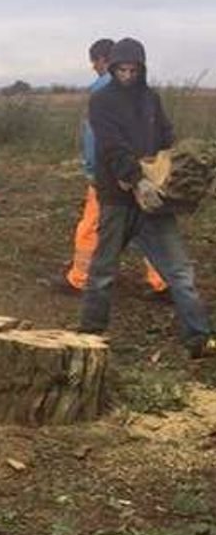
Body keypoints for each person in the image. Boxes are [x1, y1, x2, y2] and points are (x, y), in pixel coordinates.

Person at [78, 38, 214, 357]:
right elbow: (111, 145)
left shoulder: (151, 99)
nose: (127, 75)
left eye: (133, 70)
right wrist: (135, 179)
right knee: (103, 271)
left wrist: (177, 169)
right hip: (117, 198)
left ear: (142, 69)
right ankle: (89, 337)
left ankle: (198, 338)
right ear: (113, 69)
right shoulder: (102, 101)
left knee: (179, 272)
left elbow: (166, 136)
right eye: (121, 70)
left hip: (155, 201)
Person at [55, 38, 166, 298]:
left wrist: (95, 170)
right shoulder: (141, 92)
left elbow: (98, 139)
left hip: (112, 174)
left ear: (103, 60)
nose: (94, 68)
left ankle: (81, 279)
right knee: (149, 225)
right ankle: (165, 279)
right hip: (143, 170)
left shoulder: (103, 92)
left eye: (94, 63)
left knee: (93, 226)